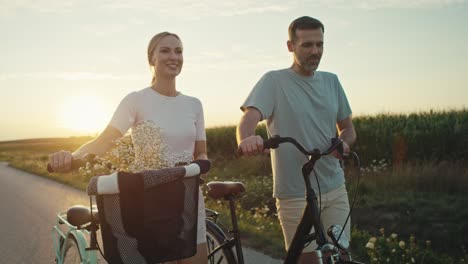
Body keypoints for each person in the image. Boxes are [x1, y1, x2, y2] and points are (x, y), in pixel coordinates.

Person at [49, 32, 209, 264]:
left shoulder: (194, 104)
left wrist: (201, 164)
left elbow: (201, 153)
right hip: (150, 200)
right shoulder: (136, 100)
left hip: (188, 199)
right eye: (165, 50)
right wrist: (70, 157)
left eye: (179, 51)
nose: (173, 56)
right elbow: (103, 142)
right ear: (151, 59)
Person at [236, 16, 356, 263]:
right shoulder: (274, 81)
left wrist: (344, 143)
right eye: (307, 45)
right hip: (294, 193)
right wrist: (248, 139)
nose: (315, 51)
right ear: (291, 46)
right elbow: (249, 119)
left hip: (334, 187)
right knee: (308, 260)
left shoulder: (332, 81)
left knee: (341, 256)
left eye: (320, 45)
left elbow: (348, 129)